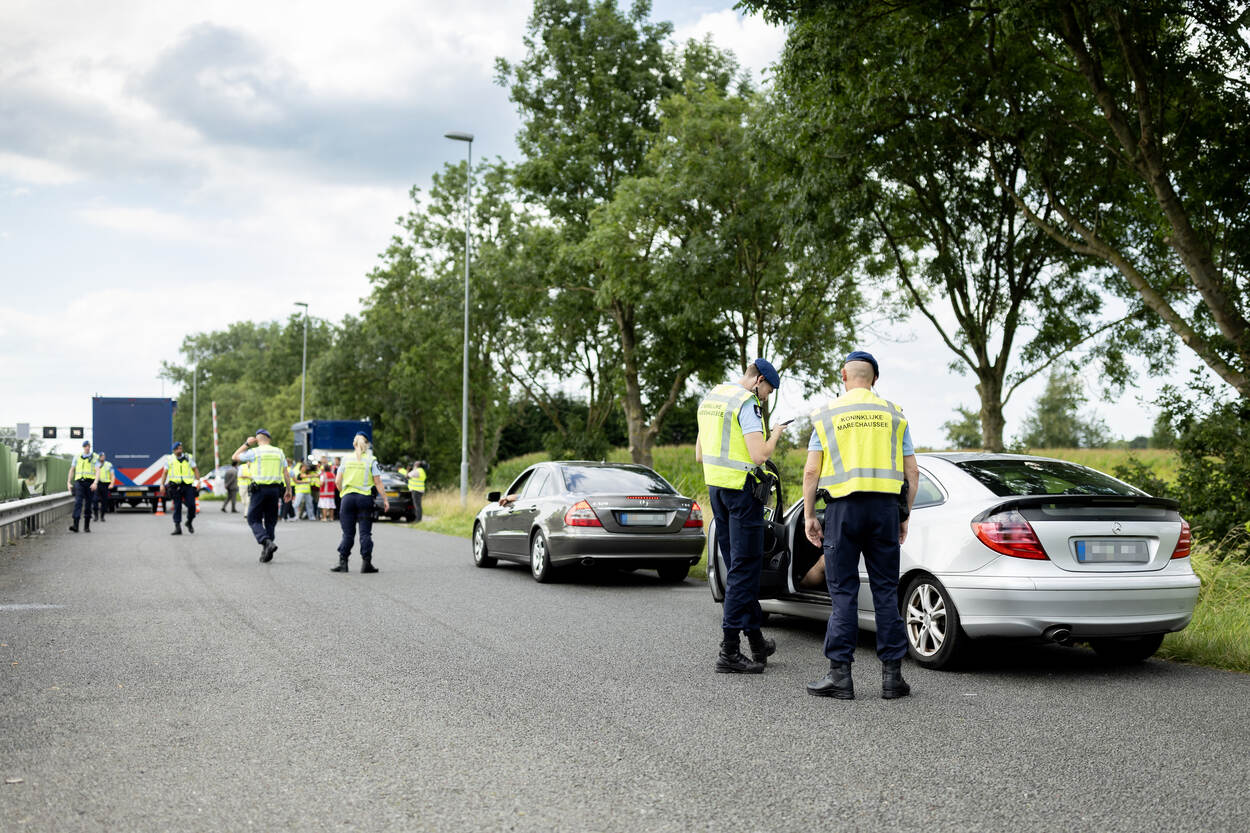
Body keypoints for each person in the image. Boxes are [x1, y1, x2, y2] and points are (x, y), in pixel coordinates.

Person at [803, 351, 918, 701]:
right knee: (885, 591)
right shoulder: (894, 414)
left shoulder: (826, 414)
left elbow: (811, 471)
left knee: (843, 594)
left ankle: (840, 676)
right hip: (884, 510)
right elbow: (911, 471)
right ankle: (892, 679)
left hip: (843, 512)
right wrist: (904, 514)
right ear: (875, 379)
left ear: (844, 376)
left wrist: (809, 515)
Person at [695, 358, 788, 674]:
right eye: (767, 391)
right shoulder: (747, 404)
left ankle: (757, 642)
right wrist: (774, 433)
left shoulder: (712, 398)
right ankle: (729, 651)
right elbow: (759, 454)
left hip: (716, 492)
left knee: (737, 566)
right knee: (744, 571)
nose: (765, 398)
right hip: (741, 495)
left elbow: (699, 453)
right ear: (758, 380)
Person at [232, 429, 293, 563]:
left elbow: (234, 456)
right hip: (275, 491)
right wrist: (289, 490)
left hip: (259, 490)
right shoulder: (279, 452)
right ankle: (267, 550)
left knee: (253, 519)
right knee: (271, 520)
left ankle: (266, 542)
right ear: (269, 439)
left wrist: (246, 444)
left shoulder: (254, 452)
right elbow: (286, 473)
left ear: (257, 439)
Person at [332, 432, 388, 574]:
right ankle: (366, 563)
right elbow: (378, 482)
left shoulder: (345, 459)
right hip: (364, 499)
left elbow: (338, 481)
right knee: (365, 533)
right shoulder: (372, 460)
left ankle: (343, 563)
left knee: (348, 534)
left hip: (348, 499)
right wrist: (385, 500)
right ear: (367, 445)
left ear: (354, 444)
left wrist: (343, 493)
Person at [161, 441, 200, 535]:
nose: (180, 450)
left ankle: (189, 522)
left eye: (181, 448)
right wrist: (162, 484)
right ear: (174, 450)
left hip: (187, 485)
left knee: (192, 506)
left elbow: (195, 469)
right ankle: (177, 527)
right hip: (175, 486)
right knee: (177, 506)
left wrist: (198, 481)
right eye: (178, 449)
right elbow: (165, 472)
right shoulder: (169, 459)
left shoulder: (188, 457)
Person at [66, 440, 99, 533]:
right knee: (78, 503)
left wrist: (95, 483)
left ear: (90, 447)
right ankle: (75, 525)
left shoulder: (95, 457)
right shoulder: (77, 457)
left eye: (88, 446)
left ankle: (86, 526)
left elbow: (97, 471)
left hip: (90, 483)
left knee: (88, 504)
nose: (87, 447)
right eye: (85, 446)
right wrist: (68, 482)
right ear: (83, 447)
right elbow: (72, 470)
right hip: (79, 482)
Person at [93, 452, 114, 522]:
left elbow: (112, 475)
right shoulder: (95, 464)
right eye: (101, 456)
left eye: (103, 456)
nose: (102, 457)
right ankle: (96, 515)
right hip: (97, 484)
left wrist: (112, 483)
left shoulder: (109, 464)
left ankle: (102, 516)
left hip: (105, 485)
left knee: (104, 501)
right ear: (99, 457)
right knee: (95, 500)